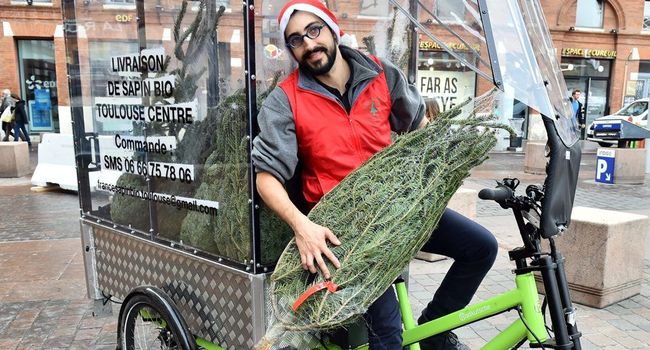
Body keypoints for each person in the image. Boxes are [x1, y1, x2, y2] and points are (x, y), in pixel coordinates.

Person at [252, 1, 497, 349]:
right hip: (345, 232)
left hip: (399, 211)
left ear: (332, 28)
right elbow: (266, 177)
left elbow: (419, 130)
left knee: (482, 248)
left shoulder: (382, 75)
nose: (308, 44)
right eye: (295, 39)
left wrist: (432, 179)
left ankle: (434, 333)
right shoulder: (285, 100)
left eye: (313, 30)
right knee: (387, 330)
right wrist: (302, 227)